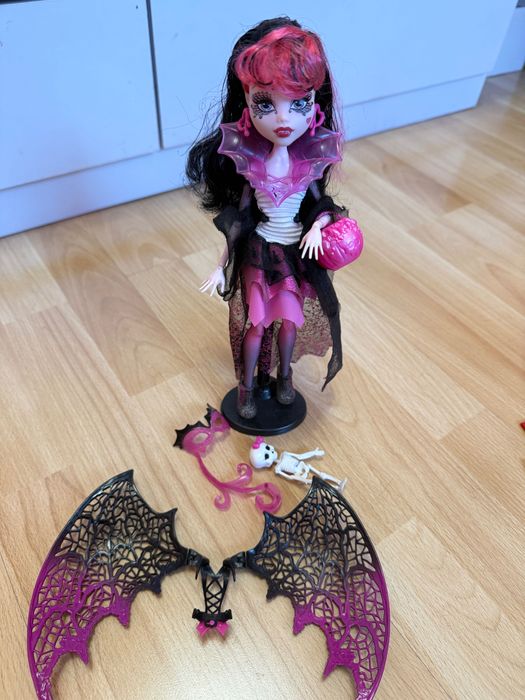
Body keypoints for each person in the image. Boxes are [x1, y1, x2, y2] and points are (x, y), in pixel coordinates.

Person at [186, 17, 347, 419]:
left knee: (289, 323)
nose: (283, 119)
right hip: (259, 255)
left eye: (299, 103)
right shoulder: (252, 165)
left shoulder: (307, 164)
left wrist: (317, 227)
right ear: (246, 104)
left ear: (315, 104)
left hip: (293, 256)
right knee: (256, 325)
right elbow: (239, 222)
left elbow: (324, 206)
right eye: (265, 104)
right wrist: (220, 266)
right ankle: (247, 385)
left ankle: (284, 377)